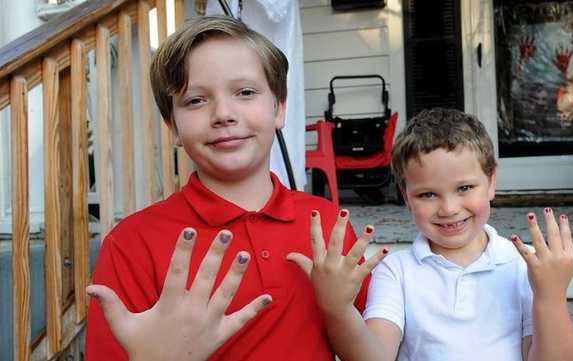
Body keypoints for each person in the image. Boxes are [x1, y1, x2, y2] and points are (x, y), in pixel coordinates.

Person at [85, 15, 384, 361]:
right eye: (196, 100)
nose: (223, 113)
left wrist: (337, 310)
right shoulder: (132, 245)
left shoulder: (328, 225)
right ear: (173, 127)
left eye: (245, 92)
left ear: (280, 108)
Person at [288, 108, 573, 361]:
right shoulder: (397, 272)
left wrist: (550, 297)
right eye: (428, 194)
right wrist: (338, 308)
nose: (448, 208)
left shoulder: (526, 265)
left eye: (464, 188)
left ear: (491, 182)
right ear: (406, 197)